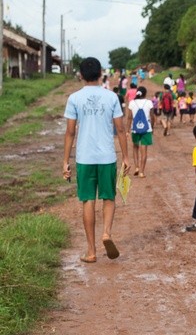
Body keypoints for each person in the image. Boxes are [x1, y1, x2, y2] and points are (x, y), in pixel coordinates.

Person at [62, 56, 130, 263]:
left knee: (88, 201)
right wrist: (126, 157)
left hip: (84, 158)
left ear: (81, 75)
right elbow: (120, 128)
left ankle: (91, 251)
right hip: (107, 157)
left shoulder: (74, 98)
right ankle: (106, 233)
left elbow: (70, 132)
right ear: (101, 74)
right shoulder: (111, 97)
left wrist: (65, 161)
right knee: (109, 198)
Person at [127, 86, 154, 179]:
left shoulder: (132, 103)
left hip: (135, 129)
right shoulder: (149, 102)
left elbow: (129, 117)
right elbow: (152, 117)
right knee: (144, 151)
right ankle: (142, 172)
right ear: (145, 93)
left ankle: (136, 167)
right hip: (146, 129)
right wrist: (152, 127)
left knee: (135, 148)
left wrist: (127, 129)